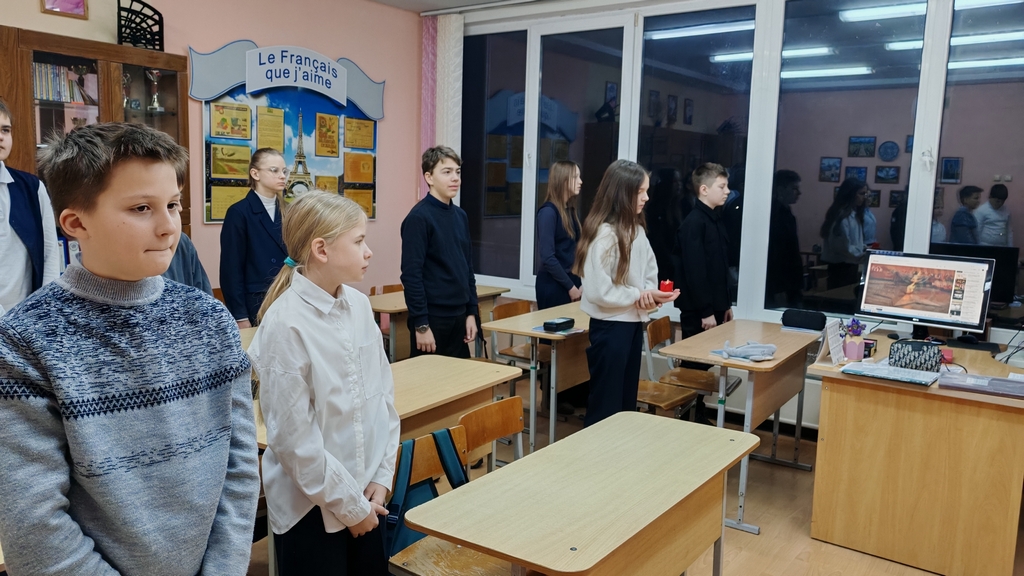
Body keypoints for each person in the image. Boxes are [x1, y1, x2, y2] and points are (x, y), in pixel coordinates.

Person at [0, 122, 260, 575]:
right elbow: (34, 524)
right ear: (76, 223)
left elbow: (240, 465)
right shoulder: (26, 341)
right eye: (142, 208)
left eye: (173, 205)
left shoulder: (210, 320)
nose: (169, 227)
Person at [248, 192, 399, 576]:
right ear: (321, 250)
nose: (368, 252)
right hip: (311, 510)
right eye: (359, 241)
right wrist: (350, 508)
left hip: (367, 496)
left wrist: (382, 476)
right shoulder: (286, 323)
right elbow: (294, 442)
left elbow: (383, 398)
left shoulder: (359, 306)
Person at [574, 159, 677, 427]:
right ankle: (595, 453)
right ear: (622, 193)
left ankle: (620, 453)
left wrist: (651, 295)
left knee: (625, 404)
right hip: (610, 328)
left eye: (646, 190)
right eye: (640, 191)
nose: (646, 197)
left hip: (631, 325)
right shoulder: (604, 235)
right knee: (605, 407)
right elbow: (599, 291)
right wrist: (638, 296)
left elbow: (649, 274)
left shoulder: (637, 230)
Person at [401, 146, 478, 358]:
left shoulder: (461, 216)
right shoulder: (418, 218)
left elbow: (467, 269)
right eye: (447, 172)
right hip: (432, 319)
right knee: (430, 378)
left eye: (458, 172)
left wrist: (471, 313)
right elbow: (411, 276)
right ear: (429, 177)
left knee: (461, 377)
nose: (455, 178)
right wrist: (421, 325)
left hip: (460, 316)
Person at [675, 163, 733, 423]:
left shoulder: (714, 219)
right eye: (722, 186)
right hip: (699, 311)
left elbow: (719, 269)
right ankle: (689, 415)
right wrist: (707, 311)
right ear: (704, 189)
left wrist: (725, 305)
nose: (727, 191)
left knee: (706, 363)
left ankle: (698, 412)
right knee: (694, 365)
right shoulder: (694, 223)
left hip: (714, 307)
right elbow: (695, 272)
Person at [0, 98, 60, 313]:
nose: (1, 137)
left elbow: (50, 252)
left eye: (5, 130)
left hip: (25, 315)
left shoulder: (32, 187)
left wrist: (45, 308)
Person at [220, 147, 289, 328]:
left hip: (289, 297)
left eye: (284, 171)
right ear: (255, 174)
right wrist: (240, 316)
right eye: (274, 170)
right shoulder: (238, 212)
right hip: (257, 303)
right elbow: (231, 270)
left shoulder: (290, 211)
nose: (282, 176)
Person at [536, 160, 582, 309]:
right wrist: (571, 287)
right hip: (554, 285)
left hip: (571, 282)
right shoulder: (548, 213)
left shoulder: (570, 211)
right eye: (575, 177)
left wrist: (580, 283)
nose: (580, 182)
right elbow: (548, 257)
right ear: (563, 180)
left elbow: (574, 251)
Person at [820, 178, 868, 289]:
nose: (864, 197)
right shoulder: (842, 217)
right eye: (861, 193)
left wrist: (863, 248)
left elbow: (854, 242)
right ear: (851, 194)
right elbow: (842, 247)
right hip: (841, 268)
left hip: (850, 266)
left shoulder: (854, 215)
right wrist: (861, 253)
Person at [765, 169, 803, 308]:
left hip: (789, 279)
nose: (798, 193)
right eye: (794, 188)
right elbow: (776, 254)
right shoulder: (775, 215)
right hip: (780, 281)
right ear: (781, 189)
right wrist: (778, 288)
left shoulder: (786, 212)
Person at [645, 168, 684, 282]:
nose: (679, 185)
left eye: (680, 181)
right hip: (662, 263)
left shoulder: (679, 206)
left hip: (675, 261)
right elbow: (657, 240)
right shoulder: (656, 209)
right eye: (675, 181)